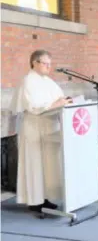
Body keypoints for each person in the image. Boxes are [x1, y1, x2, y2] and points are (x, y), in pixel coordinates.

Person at [10, 50, 72, 213]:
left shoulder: (48, 81)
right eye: (45, 63)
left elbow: (58, 98)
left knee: (47, 165)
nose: (48, 67)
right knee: (35, 164)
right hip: (34, 128)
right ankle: (34, 200)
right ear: (34, 63)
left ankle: (45, 197)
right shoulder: (28, 81)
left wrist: (65, 101)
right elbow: (34, 106)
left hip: (50, 127)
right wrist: (57, 103)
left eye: (50, 64)